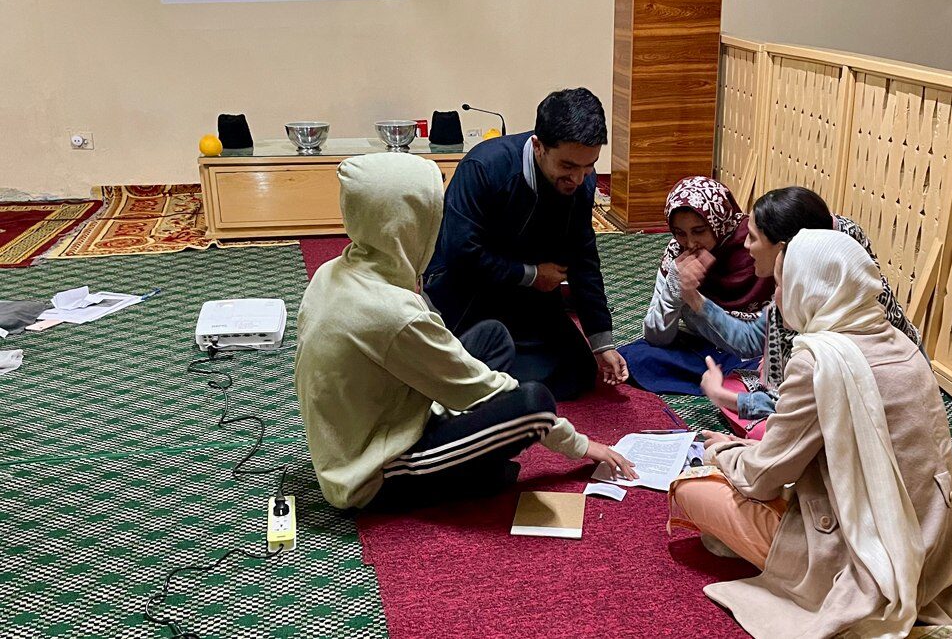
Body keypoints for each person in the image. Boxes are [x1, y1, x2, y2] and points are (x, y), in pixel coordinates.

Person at [667, 231, 952, 639]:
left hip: (867, 555)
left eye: (781, 285)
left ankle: (805, 570)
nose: (776, 298)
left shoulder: (819, 359)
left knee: (690, 489)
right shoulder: (899, 339)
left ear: (809, 288)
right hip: (941, 549)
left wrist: (724, 454)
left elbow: (762, 478)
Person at [295, 153, 635, 510]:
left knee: (492, 337)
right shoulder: (390, 312)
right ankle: (455, 473)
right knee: (536, 407)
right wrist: (583, 445)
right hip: (369, 472)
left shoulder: (333, 271)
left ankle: (469, 460)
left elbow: (424, 346)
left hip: (367, 422)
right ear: (406, 222)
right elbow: (483, 386)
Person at [424, 87, 626, 401]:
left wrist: (603, 343)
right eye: (568, 167)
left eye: (589, 166)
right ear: (538, 147)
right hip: (469, 291)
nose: (578, 179)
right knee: (493, 367)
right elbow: (461, 253)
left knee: (580, 371)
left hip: (531, 294)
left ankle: (483, 376)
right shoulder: (484, 168)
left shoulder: (582, 182)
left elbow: (584, 259)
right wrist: (531, 274)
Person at [681, 186, 923, 431]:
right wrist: (693, 298)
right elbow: (754, 337)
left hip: (874, 423)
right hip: (861, 402)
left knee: (765, 430)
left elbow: (794, 407)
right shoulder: (818, 279)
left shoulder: (824, 323)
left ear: (784, 248)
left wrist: (721, 397)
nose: (745, 245)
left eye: (753, 237)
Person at [618, 176, 772, 395]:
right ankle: (723, 384)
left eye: (699, 231)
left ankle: (727, 383)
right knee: (631, 358)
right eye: (680, 233)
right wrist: (675, 287)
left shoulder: (755, 245)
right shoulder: (677, 253)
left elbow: (764, 335)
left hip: (749, 349)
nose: (690, 243)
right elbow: (656, 336)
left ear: (718, 220)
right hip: (699, 346)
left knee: (767, 372)